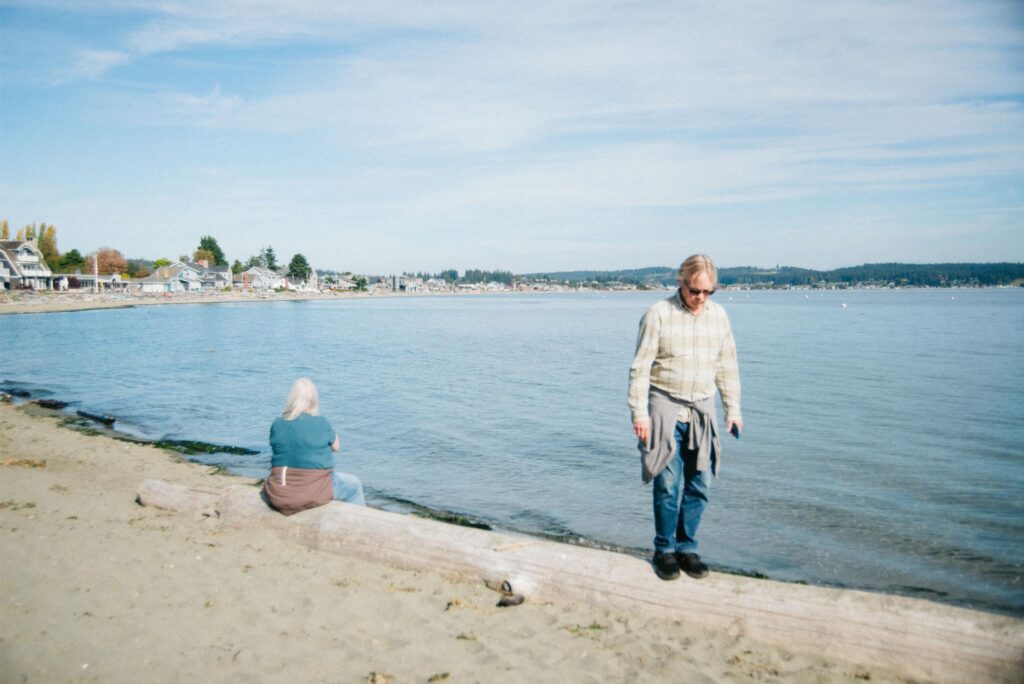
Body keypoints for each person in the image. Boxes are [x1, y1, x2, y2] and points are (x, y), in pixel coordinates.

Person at [628, 254, 742, 580]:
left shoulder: (718, 317)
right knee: (667, 483)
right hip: (664, 405)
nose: (700, 298)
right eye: (695, 291)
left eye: (708, 292)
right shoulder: (658, 314)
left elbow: (727, 365)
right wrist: (639, 413)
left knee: (700, 483)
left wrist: (732, 409)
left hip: (702, 408)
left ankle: (686, 548)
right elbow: (640, 368)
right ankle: (664, 550)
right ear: (681, 282)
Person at [263, 377, 366, 515]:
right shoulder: (321, 422)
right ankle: (359, 520)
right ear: (314, 400)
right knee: (354, 485)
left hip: (279, 492)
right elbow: (336, 447)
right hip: (313, 491)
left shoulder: (277, 423)